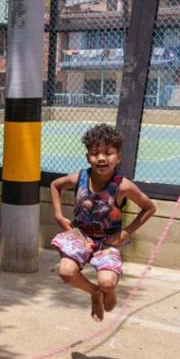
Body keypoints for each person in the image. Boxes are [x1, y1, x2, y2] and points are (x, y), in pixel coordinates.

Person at [49, 123, 156, 322]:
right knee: (66, 271)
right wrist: (58, 215)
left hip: (107, 242)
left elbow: (149, 208)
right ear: (87, 157)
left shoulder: (123, 186)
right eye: (94, 153)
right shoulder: (80, 178)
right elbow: (55, 185)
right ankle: (94, 292)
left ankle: (105, 290)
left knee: (107, 283)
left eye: (108, 153)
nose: (101, 158)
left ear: (119, 157)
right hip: (81, 235)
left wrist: (125, 233)